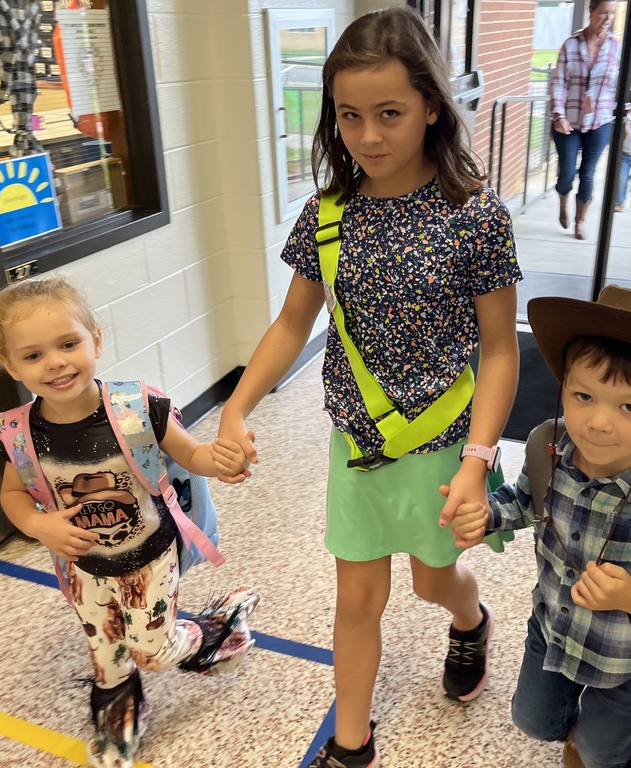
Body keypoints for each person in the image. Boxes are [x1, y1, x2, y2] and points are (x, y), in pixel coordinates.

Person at [216, 8, 521, 768]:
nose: (369, 136)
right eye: (350, 116)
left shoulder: (474, 215)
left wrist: (479, 462)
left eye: (389, 113)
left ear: (431, 106)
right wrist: (236, 405)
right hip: (359, 442)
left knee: (431, 581)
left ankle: (471, 618)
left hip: (448, 443)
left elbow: (498, 349)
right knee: (357, 599)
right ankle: (351, 746)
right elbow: (291, 324)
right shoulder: (328, 215)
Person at [447, 284, 631, 768]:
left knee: (601, 751)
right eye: (583, 395)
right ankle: (574, 735)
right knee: (534, 721)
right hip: (553, 630)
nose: (599, 422)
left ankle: (595, 749)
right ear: (563, 386)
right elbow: (525, 502)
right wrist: (488, 515)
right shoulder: (549, 448)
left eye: (630, 406)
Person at [0, 275, 259, 768]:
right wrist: (35, 525)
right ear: (9, 365)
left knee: (151, 649)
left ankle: (214, 630)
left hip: (148, 557)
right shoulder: (19, 432)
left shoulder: (135, 409)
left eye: (68, 343)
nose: (55, 362)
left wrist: (220, 459)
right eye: (32, 356)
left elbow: (190, 453)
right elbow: (11, 493)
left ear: (96, 339)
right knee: (104, 647)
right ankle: (117, 705)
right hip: (81, 565)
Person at [549, 0, 622, 240]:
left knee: (588, 172)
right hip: (568, 121)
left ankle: (580, 221)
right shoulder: (571, 44)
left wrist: (626, 118)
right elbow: (558, 82)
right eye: (603, 13)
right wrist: (559, 115)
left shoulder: (616, 48)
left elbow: (621, 86)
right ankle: (563, 198)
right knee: (567, 172)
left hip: (599, 121)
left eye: (611, 14)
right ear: (591, 11)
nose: (607, 18)